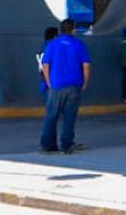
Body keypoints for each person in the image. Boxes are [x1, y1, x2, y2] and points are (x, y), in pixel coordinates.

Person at [39, 18, 91, 154]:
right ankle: (66, 145)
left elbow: (45, 65)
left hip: (56, 85)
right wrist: (85, 82)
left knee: (51, 116)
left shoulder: (52, 44)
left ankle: (47, 146)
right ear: (73, 29)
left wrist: (49, 82)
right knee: (69, 117)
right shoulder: (79, 45)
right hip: (74, 85)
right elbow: (86, 65)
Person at [37, 26, 59, 98]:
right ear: (55, 37)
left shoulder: (42, 47)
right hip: (53, 83)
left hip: (44, 82)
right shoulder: (53, 47)